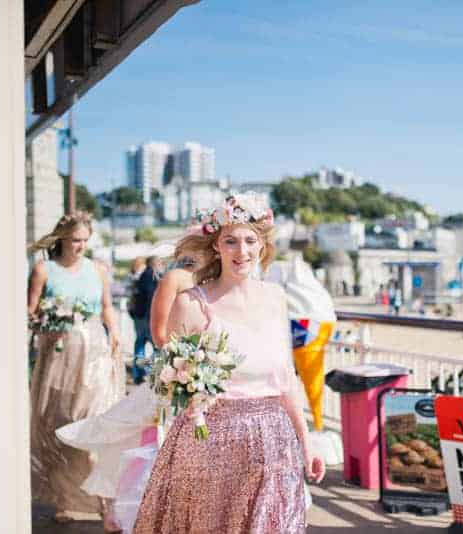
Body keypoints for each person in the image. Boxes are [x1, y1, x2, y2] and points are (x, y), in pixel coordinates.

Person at [134, 194, 325, 533]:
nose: (242, 251)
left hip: (273, 440)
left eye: (250, 240)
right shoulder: (191, 304)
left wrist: (307, 443)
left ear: (262, 246)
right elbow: (170, 378)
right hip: (210, 441)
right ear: (216, 246)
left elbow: (286, 379)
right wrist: (191, 398)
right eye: (231, 241)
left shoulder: (276, 298)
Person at [27, 211, 125, 529]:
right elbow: (30, 313)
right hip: (59, 355)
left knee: (95, 422)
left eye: (85, 240)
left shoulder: (98, 270)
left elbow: (107, 307)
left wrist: (115, 332)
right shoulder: (44, 270)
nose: (80, 246)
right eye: (74, 240)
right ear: (62, 239)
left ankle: (103, 502)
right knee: (61, 425)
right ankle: (66, 499)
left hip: (95, 353)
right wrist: (48, 322)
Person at [130, 255, 163, 384]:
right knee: (156, 346)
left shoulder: (141, 276)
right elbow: (151, 299)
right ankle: (152, 372)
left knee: (139, 345)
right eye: (160, 263)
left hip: (139, 317)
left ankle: (138, 373)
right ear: (155, 264)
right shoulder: (154, 277)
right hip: (149, 317)